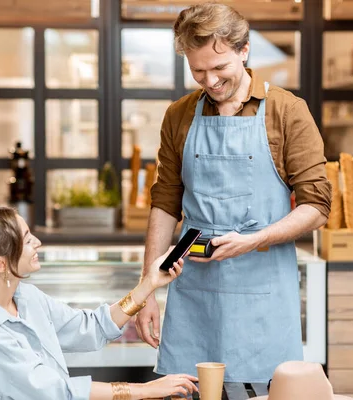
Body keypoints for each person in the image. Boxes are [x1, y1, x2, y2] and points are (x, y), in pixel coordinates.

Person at [135, 2, 332, 383]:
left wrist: (254, 239)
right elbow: (164, 204)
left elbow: (317, 205)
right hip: (195, 292)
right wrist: (145, 292)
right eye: (198, 71)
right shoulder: (179, 115)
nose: (209, 81)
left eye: (219, 68)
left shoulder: (286, 111)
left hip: (263, 293)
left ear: (244, 51)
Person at [0, 205, 198, 400]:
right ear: (0, 264)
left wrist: (149, 284)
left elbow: (90, 328)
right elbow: (57, 391)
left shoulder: (25, 298)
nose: (37, 243)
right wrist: (144, 390)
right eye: (27, 239)